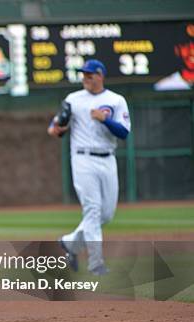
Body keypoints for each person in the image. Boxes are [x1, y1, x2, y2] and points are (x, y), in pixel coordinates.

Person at [47, 59, 131, 276]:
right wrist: (56, 129)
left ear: (100, 75)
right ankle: (96, 263)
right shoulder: (73, 99)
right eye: (83, 74)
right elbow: (55, 126)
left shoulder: (115, 100)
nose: (85, 78)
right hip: (82, 158)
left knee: (106, 214)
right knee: (93, 210)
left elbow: (123, 132)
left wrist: (105, 120)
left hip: (107, 158)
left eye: (90, 74)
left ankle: (68, 243)